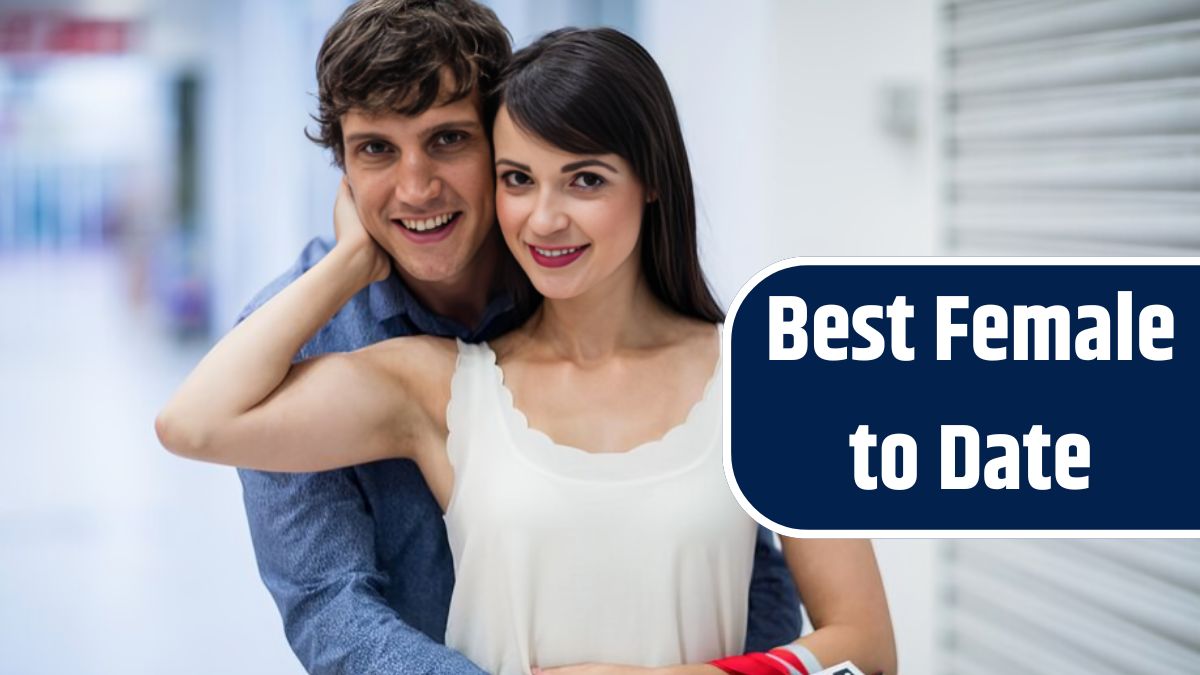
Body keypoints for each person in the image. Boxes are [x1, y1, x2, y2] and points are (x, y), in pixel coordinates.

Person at [158, 21, 895, 675]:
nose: (545, 218)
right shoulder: (439, 382)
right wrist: (354, 259)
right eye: (522, 180)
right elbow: (198, 429)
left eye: (584, 179)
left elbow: (854, 642)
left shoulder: (775, 376)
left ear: (652, 183)